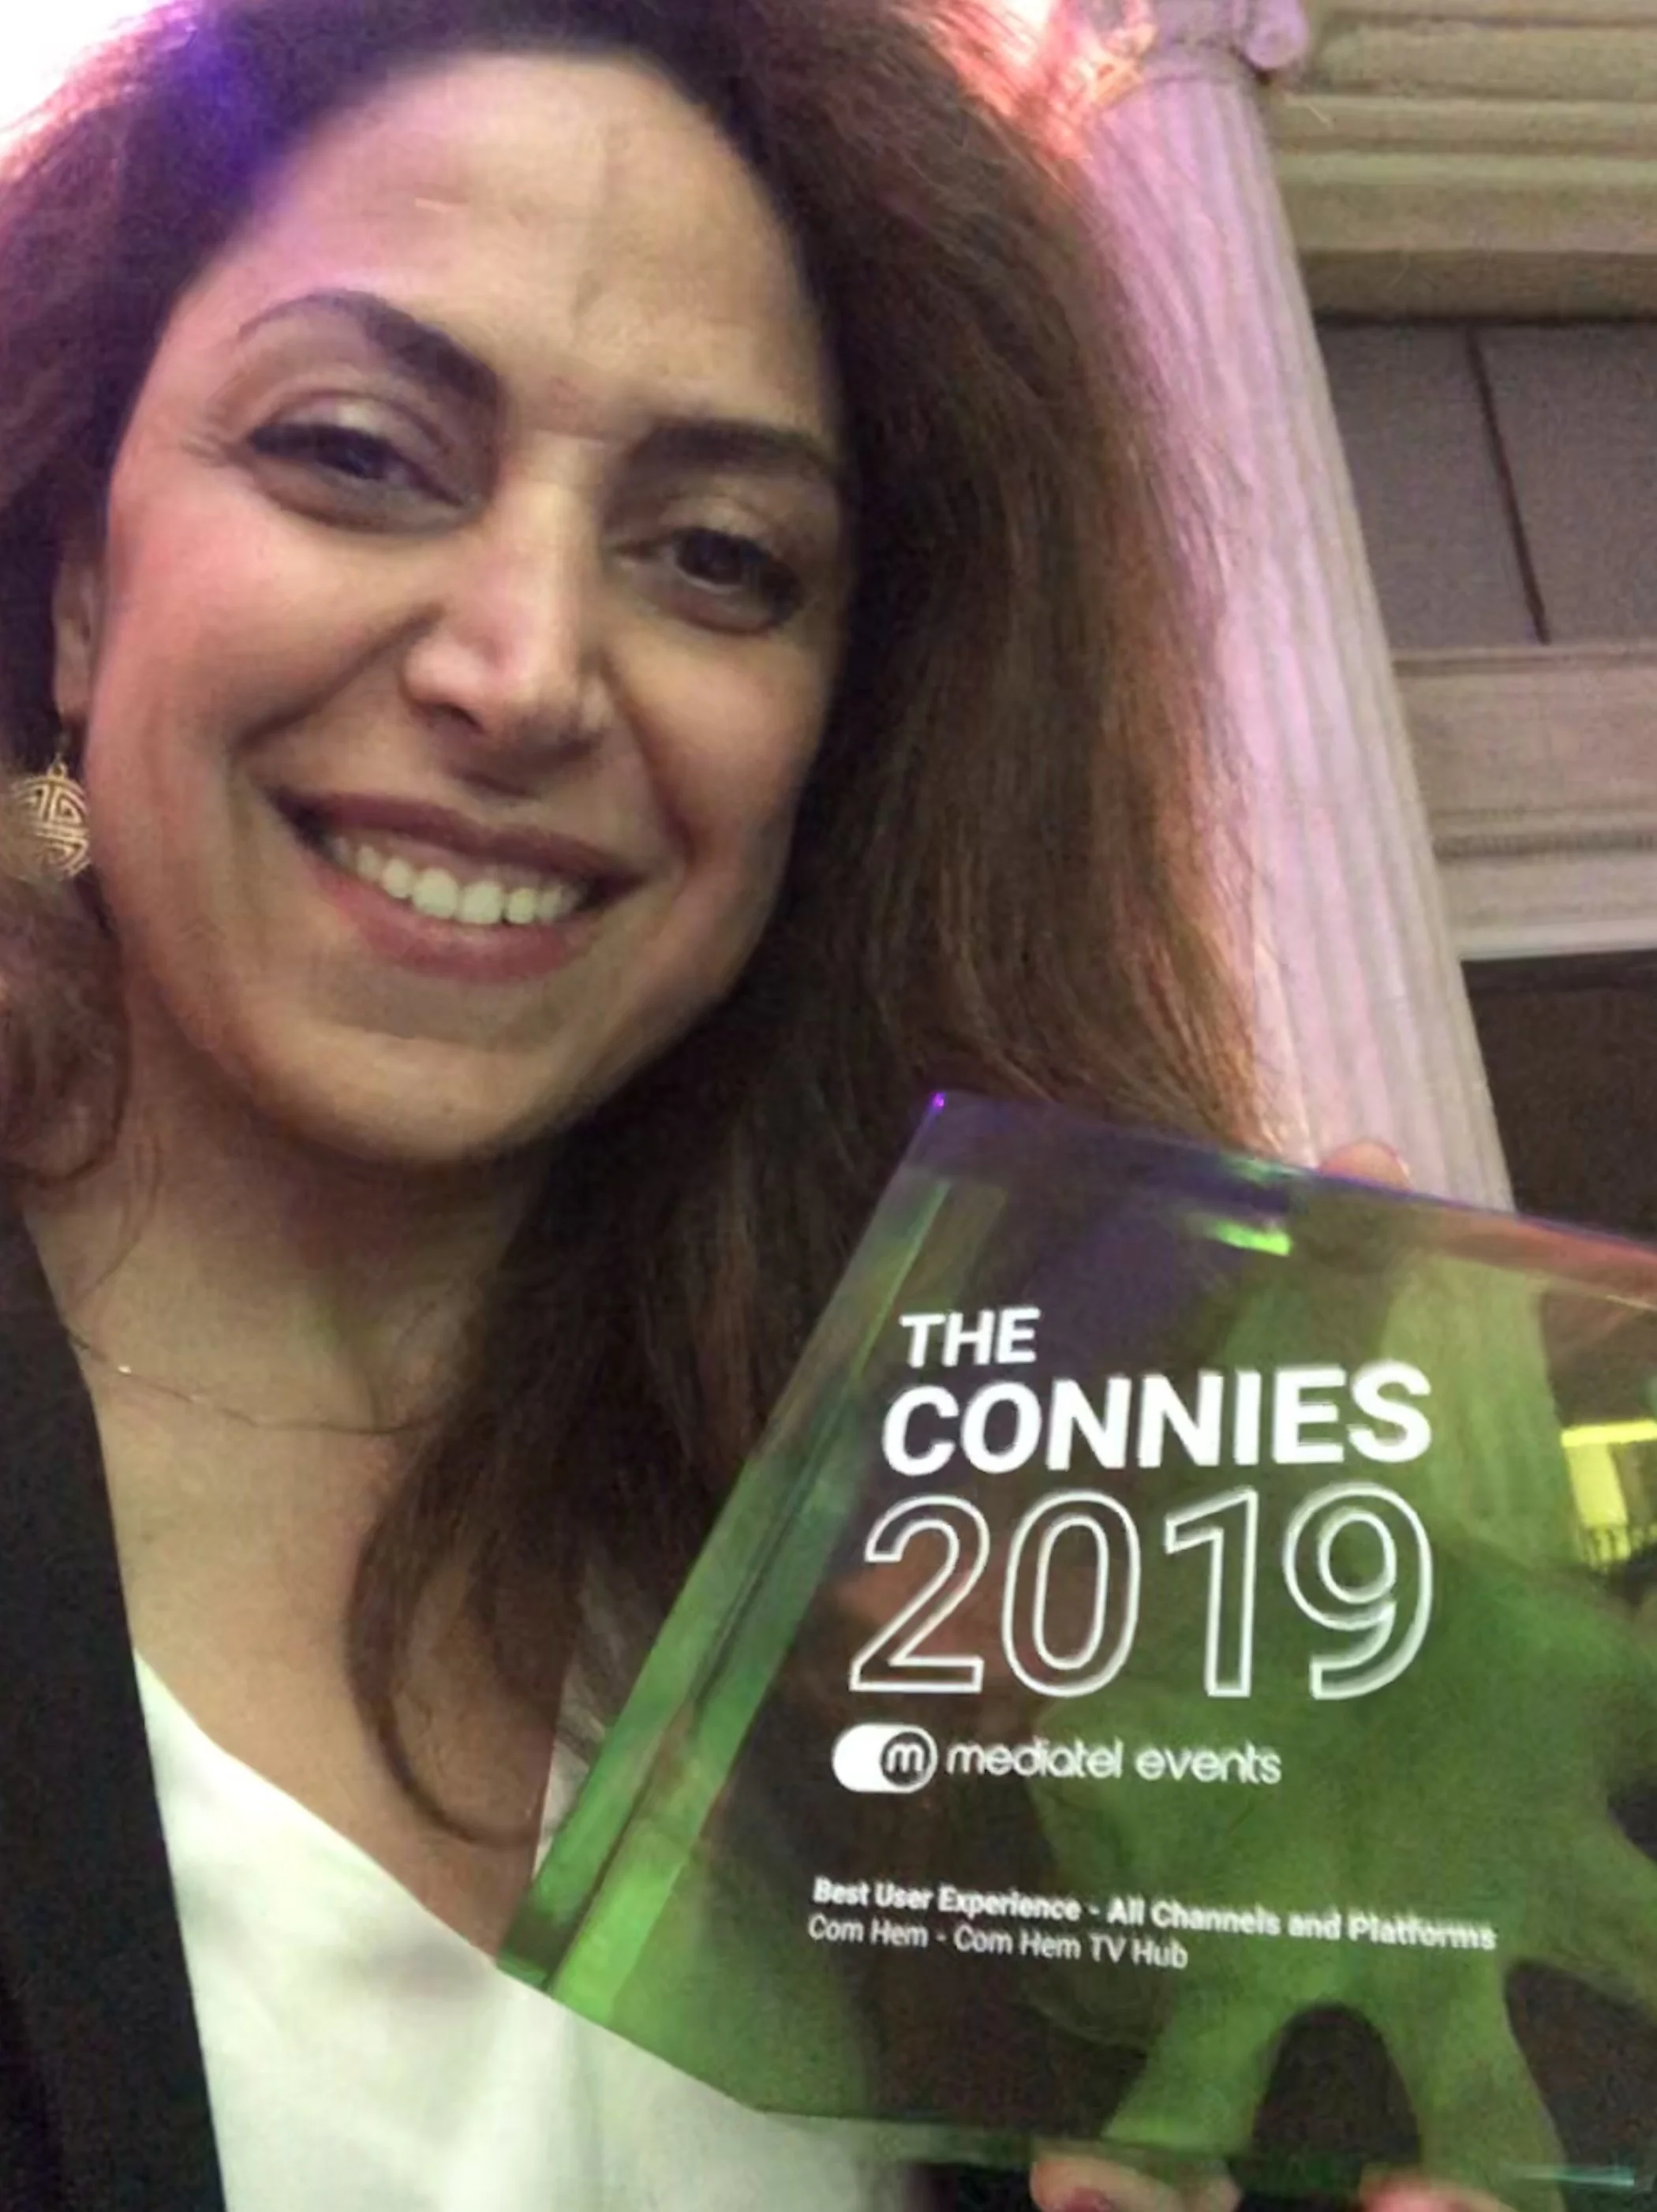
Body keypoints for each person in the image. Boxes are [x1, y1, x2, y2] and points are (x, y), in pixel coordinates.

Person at [0, 0, 1487, 2208]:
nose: (521, 672)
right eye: (358, 449)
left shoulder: (981, 1527)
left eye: (717, 558)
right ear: (80, 582)